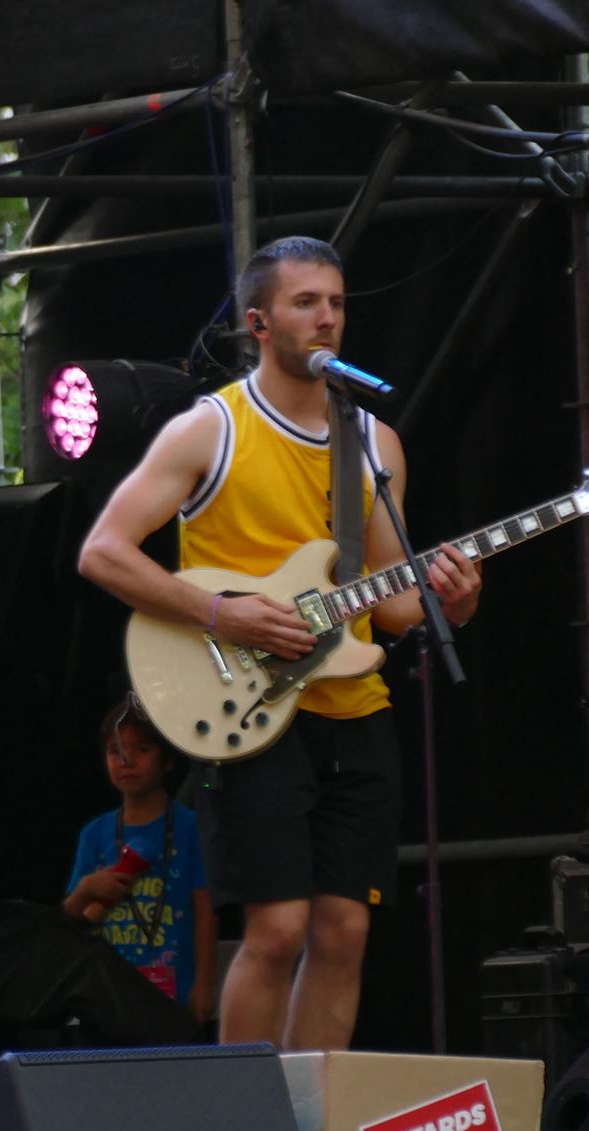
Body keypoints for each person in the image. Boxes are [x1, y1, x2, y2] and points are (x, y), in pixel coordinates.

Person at [76, 236, 482, 1052]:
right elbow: (103, 551)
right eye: (306, 303)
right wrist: (223, 615)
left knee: (344, 933)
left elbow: (397, 604)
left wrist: (457, 603)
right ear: (259, 322)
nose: (327, 317)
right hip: (250, 705)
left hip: (354, 706)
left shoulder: (374, 441)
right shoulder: (209, 429)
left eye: (336, 302)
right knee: (278, 930)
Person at [62, 696, 216, 1026]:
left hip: (175, 988)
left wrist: (205, 983)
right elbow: (68, 918)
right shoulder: (95, 833)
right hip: (109, 996)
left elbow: (204, 908)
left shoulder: (190, 828)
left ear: (168, 760)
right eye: (115, 751)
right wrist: (88, 888)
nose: (126, 760)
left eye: (142, 750)